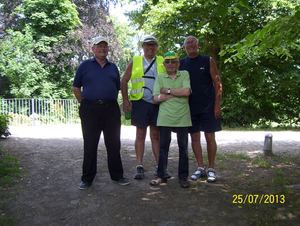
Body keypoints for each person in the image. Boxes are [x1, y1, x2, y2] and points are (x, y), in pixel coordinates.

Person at [72, 36, 130, 190]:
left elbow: (117, 87)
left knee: (114, 144)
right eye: (99, 46)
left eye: (105, 46)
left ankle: (117, 175)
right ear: (93, 49)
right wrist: (84, 104)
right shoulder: (84, 66)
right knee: (90, 144)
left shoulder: (113, 67)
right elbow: (76, 87)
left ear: (108, 49)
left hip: (111, 110)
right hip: (90, 110)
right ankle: (87, 179)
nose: (102, 49)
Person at [121, 35, 171, 179]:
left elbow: (172, 78)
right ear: (142, 47)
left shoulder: (163, 61)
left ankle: (159, 167)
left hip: (158, 103)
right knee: (140, 135)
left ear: (156, 47)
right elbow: (124, 80)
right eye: (147, 45)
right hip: (140, 102)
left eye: (153, 45)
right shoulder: (135, 61)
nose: (150, 47)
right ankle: (139, 166)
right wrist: (125, 100)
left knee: (156, 136)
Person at [179, 36, 222, 182]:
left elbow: (217, 83)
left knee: (210, 137)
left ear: (197, 45)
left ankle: (211, 168)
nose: (190, 45)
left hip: (208, 107)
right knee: (194, 138)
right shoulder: (181, 63)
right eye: (187, 43)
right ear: (184, 48)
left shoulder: (208, 60)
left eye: (193, 42)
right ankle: (200, 167)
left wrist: (217, 104)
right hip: (189, 108)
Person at [150, 51, 192, 188]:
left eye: (173, 61)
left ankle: (183, 177)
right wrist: (177, 93)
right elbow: (156, 98)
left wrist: (167, 91)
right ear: (164, 64)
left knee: (184, 148)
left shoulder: (184, 74)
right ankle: (161, 175)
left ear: (178, 64)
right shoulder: (160, 77)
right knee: (163, 148)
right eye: (167, 62)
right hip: (165, 117)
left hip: (183, 117)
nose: (170, 64)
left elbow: (187, 92)